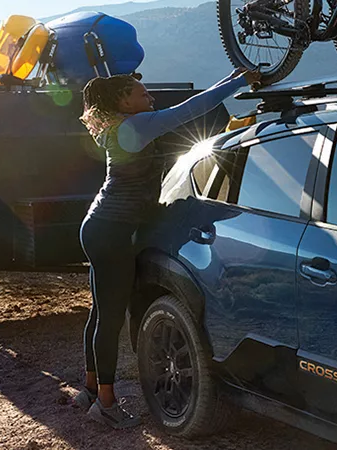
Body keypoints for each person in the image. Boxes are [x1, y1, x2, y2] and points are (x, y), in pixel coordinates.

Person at [75, 68, 260, 429]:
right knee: (110, 317)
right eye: (143, 95)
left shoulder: (115, 128)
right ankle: (107, 405)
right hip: (110, 231)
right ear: (124, 102)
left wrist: (232, 77)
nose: (150, 99)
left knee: (100, 312)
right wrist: (237, 82)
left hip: (98, 226)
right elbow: (190, 110)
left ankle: (90, 390)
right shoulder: (134, 127)